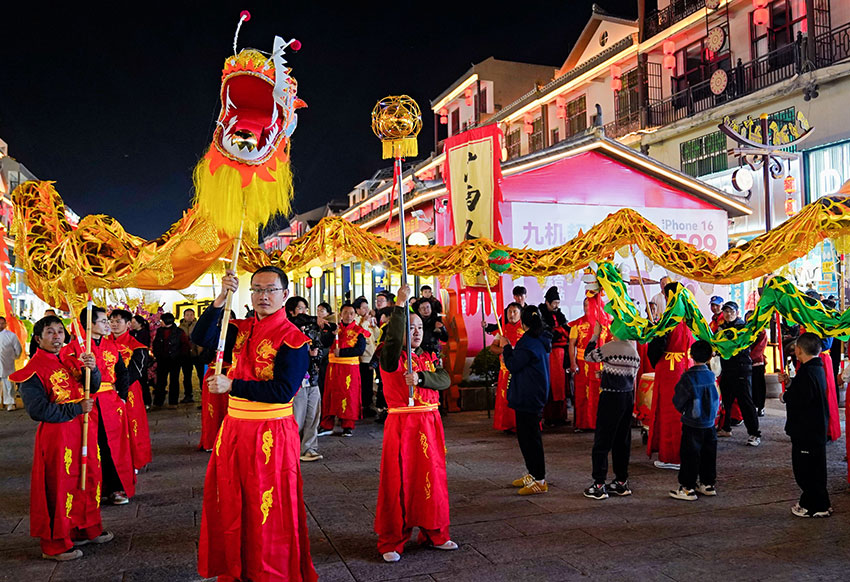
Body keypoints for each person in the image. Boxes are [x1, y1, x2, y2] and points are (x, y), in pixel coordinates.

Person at [193, 266, 317, 581]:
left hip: (270, 432)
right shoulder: (239, 328)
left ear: (284, 295)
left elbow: (282, 391)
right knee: (231, 497)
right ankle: (238, 566)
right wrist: (221, 298)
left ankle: (270, 570)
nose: (263, 296)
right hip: (234, 428)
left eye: (270, 290)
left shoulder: (294, 339)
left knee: (267, 502)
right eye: (257, 289)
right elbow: (201, 337)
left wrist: (233, 385)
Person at [12, 315, 114, 561]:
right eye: (50, 332)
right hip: (58, 437)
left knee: (87, 477)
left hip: (83, 431)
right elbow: (37, 410)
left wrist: (92, 369)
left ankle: (84, 528)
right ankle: (55, 543)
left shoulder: (70, 361)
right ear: (38, 339)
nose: (57, 336)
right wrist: (76, 409)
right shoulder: (32, 371)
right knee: (59, 485)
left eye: (60, 331)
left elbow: (92, 386)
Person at [375, 284, 456, 562]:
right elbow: (393, 341)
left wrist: (421, 378)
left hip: (430, 425)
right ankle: (392, 539)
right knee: (398, 480)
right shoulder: (390, 356)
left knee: (432, 477)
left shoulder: (429, 357)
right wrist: (400, 305)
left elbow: (444, 379)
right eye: (410, 327)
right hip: (403, 425)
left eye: (420, 327)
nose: (416, 332)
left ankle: (435, 532)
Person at [61, 306, 134, 505]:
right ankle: (93, 489)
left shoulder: (112, 346)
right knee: (91, 447)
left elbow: (123, 373)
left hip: (111, 404)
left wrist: (122, 397)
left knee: (114, 447)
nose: (108, 325)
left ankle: (117, 487)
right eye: (103, 321)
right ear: (89, 325)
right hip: (87, 404)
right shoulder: (73, 349)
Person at [582, 322, 641, 500]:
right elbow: (630, 375)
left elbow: (588, 356)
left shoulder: (610, 347)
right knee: (622, 441)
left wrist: (595, 335)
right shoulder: (634, 351)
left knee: (602, 441)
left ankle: (599, 484)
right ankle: (621, 482)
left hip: (610, 397)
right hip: (627, 397)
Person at [777, 333, 832, 518]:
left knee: (806, 471)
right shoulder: (816, 368)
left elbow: (801, 399)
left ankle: (812, 505)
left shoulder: (807, 372)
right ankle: (822, 502)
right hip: (815, 428)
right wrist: (790, 383)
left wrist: (785, 395)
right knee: (817, 469)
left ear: (799, 350)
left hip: (806, 429)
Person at [500, 305, 551, 495]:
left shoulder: (529, 342)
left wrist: (506, 347)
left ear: (523, 323)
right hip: (531, 394)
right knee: (526, 437)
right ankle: (533, 473)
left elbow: (513, 364)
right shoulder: (539, 339)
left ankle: (539, 479)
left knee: (531, 439)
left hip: (529, 395)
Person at [646, 282, 694, 470]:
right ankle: (683, 454)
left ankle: (672, 456)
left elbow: (656, 346)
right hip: (686, 365)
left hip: (670, 368)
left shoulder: (669, 320)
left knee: (670, 412)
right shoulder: (690, 318)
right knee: (684, 410)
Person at [669, 341, 720, 501]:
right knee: (709, 454)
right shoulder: (711, 376)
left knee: (690, 455)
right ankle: (707, 484)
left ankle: (687, 488)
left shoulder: (688, 377)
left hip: (692, 422)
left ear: (691, 355)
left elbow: (678, 400)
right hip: (710, 423)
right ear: (710, 357)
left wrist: (684, 411)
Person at [287, 296, 333, 462]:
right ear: (291, 311)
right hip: (297, 380)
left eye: (306, 309)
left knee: (313, 414)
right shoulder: (288, 328)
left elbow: (320, 348)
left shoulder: (311, 330)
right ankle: (292, 448)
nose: (304, 313)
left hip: (312, 378)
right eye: (300, 309)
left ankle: (309, 448)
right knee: (297, 416)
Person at [109, 309, 152, 470]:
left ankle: (135, 460)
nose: (114, 324)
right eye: (111, 321)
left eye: (118, 321)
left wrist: (119, 386)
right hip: (106, 390)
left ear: (128, 324)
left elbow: (136, 372)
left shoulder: (137, 346)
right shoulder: (102, 344)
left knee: (131, 424)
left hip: (130, 391)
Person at [318, 303, 368, 437]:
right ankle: (326, 424)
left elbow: (360, 350)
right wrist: (331, 334)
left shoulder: (359, 331)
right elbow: (324, 342)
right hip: (333, 368)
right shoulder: (334, 328)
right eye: (345, 313)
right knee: (330, 394)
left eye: (351, 313)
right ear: (340, 314)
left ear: (355, 315)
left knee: (349, 395)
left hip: (350, 369)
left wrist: (342, 353)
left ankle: (348, 425)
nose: (348, 316)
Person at [716, 302, 761, 446]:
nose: (728, 314)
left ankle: (754, 434)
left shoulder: (742, 327)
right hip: (727, 369)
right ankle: (725, 428)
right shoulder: (721, 327)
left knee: (745, 401)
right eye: (726, 311)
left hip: (741, 369)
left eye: (731, 311)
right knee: (726, 401)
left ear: (737, 312)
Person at [197, 310, 237, 453]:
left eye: (231, 318)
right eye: (225, 318)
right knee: (212, 410)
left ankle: (230, 441)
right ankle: (212, 440)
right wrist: (213, 351)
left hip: (231, 374)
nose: (229, 321)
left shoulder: (239, 335)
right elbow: (202, 357)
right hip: (214, 372)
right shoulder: (213, 335)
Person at [570, 296, 609, 431]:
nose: (587, 308)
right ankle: (582, 423)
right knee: (582, 394)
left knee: (599, 393)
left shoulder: (606, 323)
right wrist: (573, 363)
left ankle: (599, 423)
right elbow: (572, 344)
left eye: (589, 305)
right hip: (582, 364)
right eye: (585, 305)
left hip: (600, 364)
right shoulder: (577, 324)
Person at [487, 303, 523, 432]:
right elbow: (493, 348)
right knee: (505, 398)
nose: (512, 315)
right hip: (505, 370)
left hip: (521, 370)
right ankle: (507, 425)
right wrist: (505, 350)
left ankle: (521, 424)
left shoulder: (525, 329)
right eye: (509, 312)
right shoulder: (502, 330)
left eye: (515, 312)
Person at [539, 286, 570, 426]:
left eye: (558, 303)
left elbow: (566, 329)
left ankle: (561, 416)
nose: (556, 306)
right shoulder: (541, 315)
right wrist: (558, 332)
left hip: (562, 354)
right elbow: (545, 333)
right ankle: (550, 417)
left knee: (561, 386)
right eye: (554, 303)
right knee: (551, 384)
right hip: (549, 354)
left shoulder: (560, 315)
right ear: (547, 302)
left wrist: (563, 330)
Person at [152, 313, 189, 408]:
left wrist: (181, 357)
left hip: (175, 360)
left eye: (162, 321)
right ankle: (158, 402)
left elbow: (184, 345)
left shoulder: (179, 332)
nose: (160, 322)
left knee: (174, 381)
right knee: (160, 381)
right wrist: (156, 354)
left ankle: (173, 402)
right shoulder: (160, 331)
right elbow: (156, 343)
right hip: (162, 360)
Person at [353, 297, 380, 418]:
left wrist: (374, 326)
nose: (366, 309)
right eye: (363, 307)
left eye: (367, 307)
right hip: (363, 357)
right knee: (364, 383)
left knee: (368, 382)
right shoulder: (356, 320)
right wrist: (365, 322)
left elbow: (376, 336)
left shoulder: (368, 320)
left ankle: (368, 405)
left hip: (371, 355)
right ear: (357, 310)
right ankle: (364, 406)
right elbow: (359, 333)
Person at [178, 308, 203, 404]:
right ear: (184, 316)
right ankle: (188, 395)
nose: (189, 317)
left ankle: (204, 395)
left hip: (197, 354)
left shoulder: (199, 325)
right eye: (187, 315)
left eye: (191, 315)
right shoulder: (180, 327)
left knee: (201, 375)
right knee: (187, 376)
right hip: (186, 355)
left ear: (194, 316)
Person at [128, 315, 152, 407]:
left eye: (134, 323)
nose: (132, 324)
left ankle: (146, 402)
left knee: (143, 380)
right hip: (131, 359)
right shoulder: (131, 333)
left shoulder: (145, 333)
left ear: (140, 324)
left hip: (141, 359)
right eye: (131, 322)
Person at [0, 316, 22, 411]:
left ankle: (10, 403)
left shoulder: (11, 336)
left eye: (2, 323)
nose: (0, 325)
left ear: (5, 324)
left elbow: (18, 349)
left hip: (7, 363)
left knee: (8, 384)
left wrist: (14, 357)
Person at [748, 313, 768, 417]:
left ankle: (760, 406)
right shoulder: (745, 331)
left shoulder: (761, 331)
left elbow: (761, 347)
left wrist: (750, 357)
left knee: (759, 386)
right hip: (746, 363)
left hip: (757, 362)